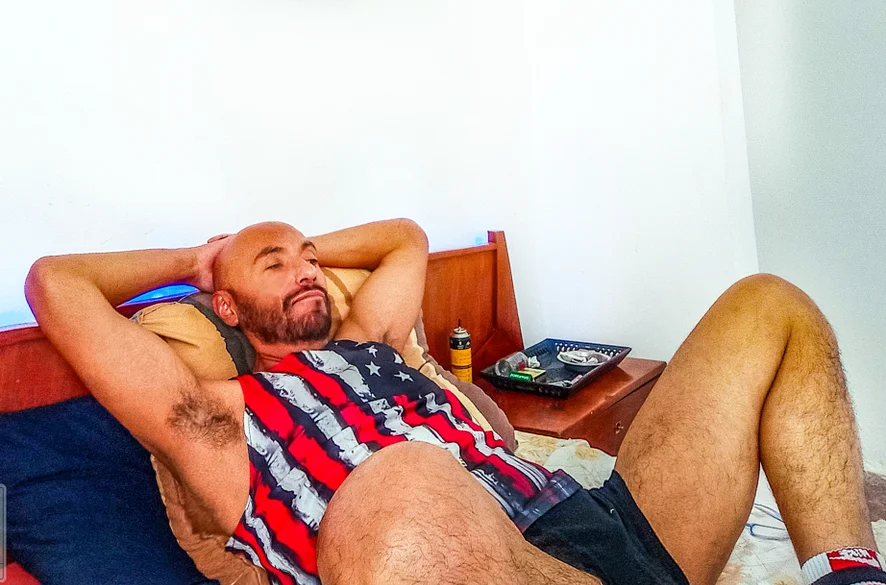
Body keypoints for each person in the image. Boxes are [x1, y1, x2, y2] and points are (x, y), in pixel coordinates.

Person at [25, 219, 885, 585]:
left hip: (600, 525)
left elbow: (406, 238)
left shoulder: (369, 341)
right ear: (224, 303)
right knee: (401, 477)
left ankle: (848, 571)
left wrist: (291, 245)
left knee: (767, 306)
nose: (307, 269)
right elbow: (54, 284)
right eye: (275, 264)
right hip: (466, 558)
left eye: (312, 256)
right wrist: (199, 255)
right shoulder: (215, 416)